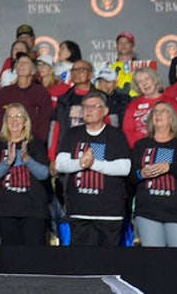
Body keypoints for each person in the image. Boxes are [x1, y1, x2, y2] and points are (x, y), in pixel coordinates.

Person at [55, 91, 132, 246]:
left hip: (109, 213)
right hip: (79, 211)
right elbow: (60, 163)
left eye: (94, 107)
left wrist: (93, 164)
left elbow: (124, 167)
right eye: (85, 107)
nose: (88, 110)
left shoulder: (116, 135)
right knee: (82, 261)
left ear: (105, 111)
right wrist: (81, 164)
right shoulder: (73, 134)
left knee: (107, 261)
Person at [129, 101, 177, 247]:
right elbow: (131, 177)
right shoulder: (141, 145)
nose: (158, 114)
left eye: (163, 111)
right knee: (153, 261)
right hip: (148, 212)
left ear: (172, 118)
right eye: (155, 112)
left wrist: (170, 167)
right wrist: (141, 173)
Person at [0, 104, 51, 246]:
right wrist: (8, 162)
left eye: (19, 116)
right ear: (5, 121)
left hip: (33, 209)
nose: (14, 120)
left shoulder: (36, 144)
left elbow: (44, 174)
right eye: (10, 116)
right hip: (5, 209)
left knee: (33, 252)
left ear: (25, 121)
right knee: (11, 252)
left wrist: (27, 159)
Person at [0, 54, 53, 145]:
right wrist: (5, 138)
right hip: (7, 142)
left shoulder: (42, 93)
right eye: (19, 63)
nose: (21, 65)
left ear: (33, 71)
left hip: (33, 143)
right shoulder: (5, 92)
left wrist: (35, 141)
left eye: (25, 63)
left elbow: (46, 120)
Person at [123, 67, 173, 147]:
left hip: (166, 146)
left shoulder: (170, 102)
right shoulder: (133, 105)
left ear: (155, 80)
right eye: (140, 82)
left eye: (147, 78)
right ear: (137, 87)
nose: (144, 83)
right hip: (139, 148)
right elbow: (127, 133)